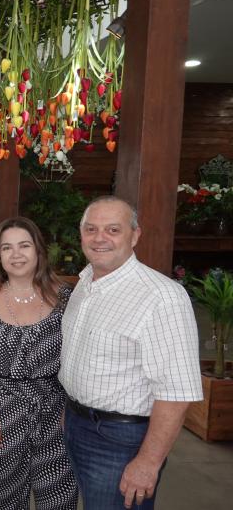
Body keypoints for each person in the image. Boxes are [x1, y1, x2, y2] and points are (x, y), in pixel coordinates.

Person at [59, 196, 203, 510]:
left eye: (113, 229)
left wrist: (149, 462)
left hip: (120, 441)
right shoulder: (85, 284)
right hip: (76, 424)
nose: (100, 238)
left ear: (135, 235)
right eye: (91, 228)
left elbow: (176, 392)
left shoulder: (161, 297)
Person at [0, 217, 78, 509]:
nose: (16, 254)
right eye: (7, 248)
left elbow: (81, 358)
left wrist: (74, 408)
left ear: (38, 251)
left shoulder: (66, 298)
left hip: (56, 417)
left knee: (59, 500)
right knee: (8, 502)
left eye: (24, 245)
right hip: (2, 416)